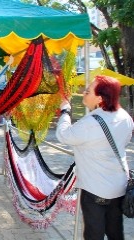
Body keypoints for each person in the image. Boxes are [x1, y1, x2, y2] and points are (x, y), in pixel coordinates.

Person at [56, 75, 134, 240]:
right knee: (115, 232)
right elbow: (125, 141)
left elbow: (63, 135)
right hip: (118, 186)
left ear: (99, 98)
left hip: (95, 189)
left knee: (93, 234)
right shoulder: (125, 117)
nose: (84, 93)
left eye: (88, 91)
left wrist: (65, 111)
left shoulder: (90, 123)